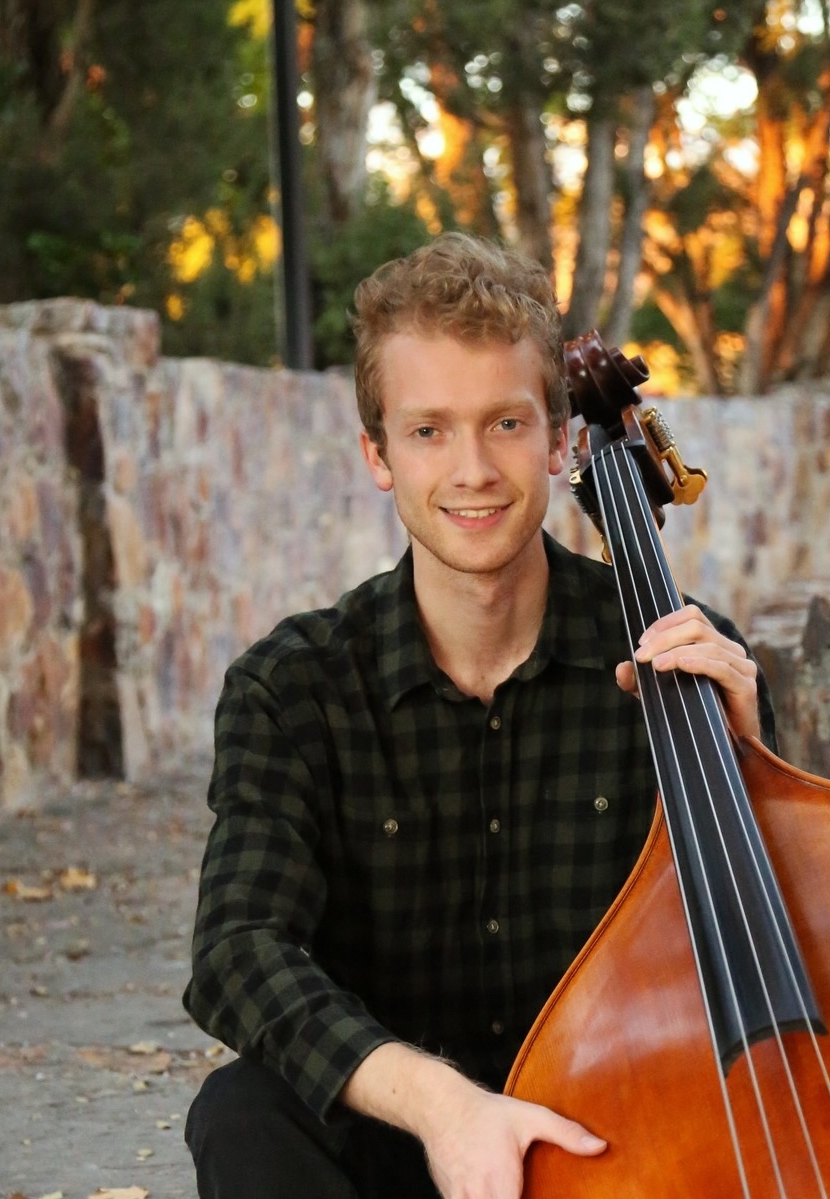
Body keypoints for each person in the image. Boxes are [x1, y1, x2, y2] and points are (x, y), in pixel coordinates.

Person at [182, 232, 776, 1199]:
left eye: (504, 424)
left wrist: (757, 772)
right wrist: (447, 1108)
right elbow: (236, 953)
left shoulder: (679, 658)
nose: (473, 471)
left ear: (557, 439)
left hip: (624, 1142)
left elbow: (784, 961)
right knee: (243, 1110)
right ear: (378, 454)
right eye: (428, 431)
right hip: (405, 1137)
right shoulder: (292, 688)